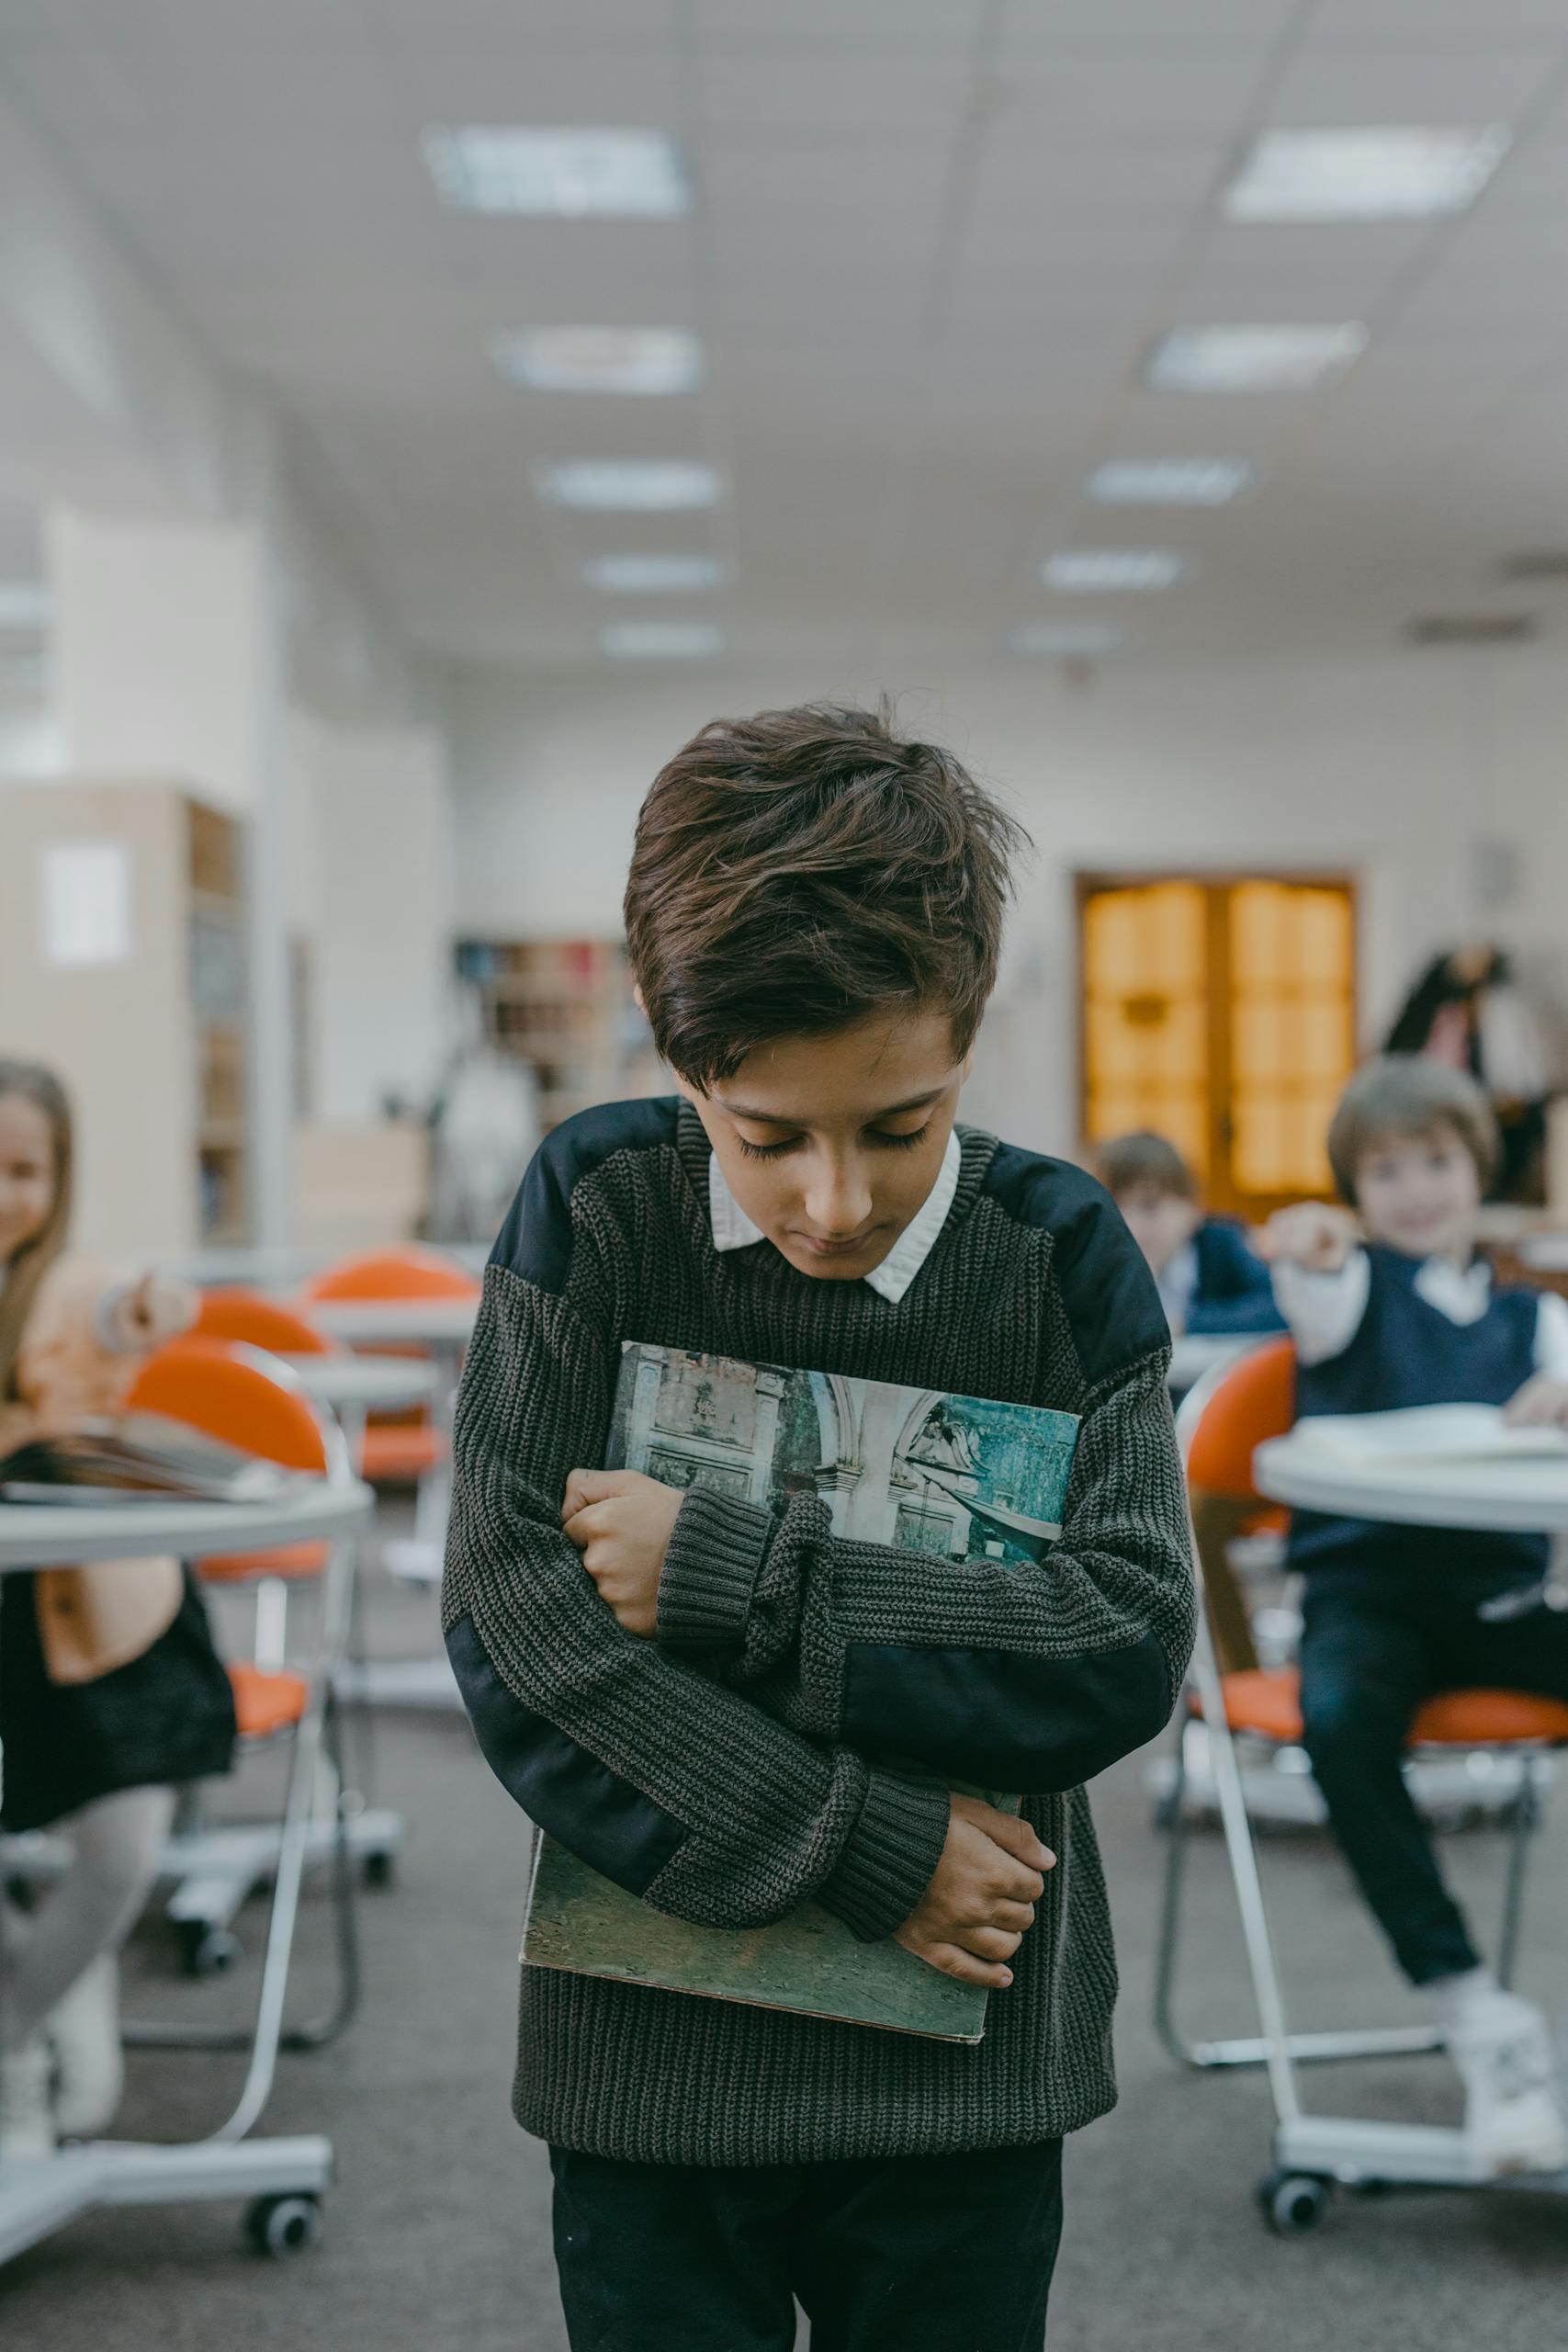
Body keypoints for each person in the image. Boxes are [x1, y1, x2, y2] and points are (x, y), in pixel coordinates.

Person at [442, 703, 1196, 2351]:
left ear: (970, 1037)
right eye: (766, 1136)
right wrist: (873, 1844)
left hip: (960, 2081)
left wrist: (728, 1573)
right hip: (655, 2075)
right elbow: (522, 1635)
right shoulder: (595, 1208)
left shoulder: (1055, 1252)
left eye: (900, 1127)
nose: (834, 1204)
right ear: (676, 1055)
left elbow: (1121, 1639)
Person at [1258, 1056, 1568, 2174]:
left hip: (1501, 1598)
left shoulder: (1536, 1318)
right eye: (1387, 1170)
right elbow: (1315, 1272)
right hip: (1368, 1600)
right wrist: (1311, 1243)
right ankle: (1478, 2013)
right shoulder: (1349, 1289)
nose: (1417, 1189)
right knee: (1340, 1723)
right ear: (1356, 1186)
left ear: (1476, 1167)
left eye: (1437, 1161)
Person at [0, 1059, 237, 2157]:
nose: (4, 1193)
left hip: (103, 1614)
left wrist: (148, 1304)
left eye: (25, 1170)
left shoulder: (60, 1286)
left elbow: (119, 1304)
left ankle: (12, 2030)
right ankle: (26, 2052)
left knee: (119, 1854)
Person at [1096, 1129, 1283, 1338]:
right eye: (1113, 1209)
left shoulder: (1221, 1243)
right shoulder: (1096, 1257)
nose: (1130, 1224)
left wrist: (1185, 1323)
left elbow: (1279, 1306)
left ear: (1191, 1209)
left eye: (1149, 1207)